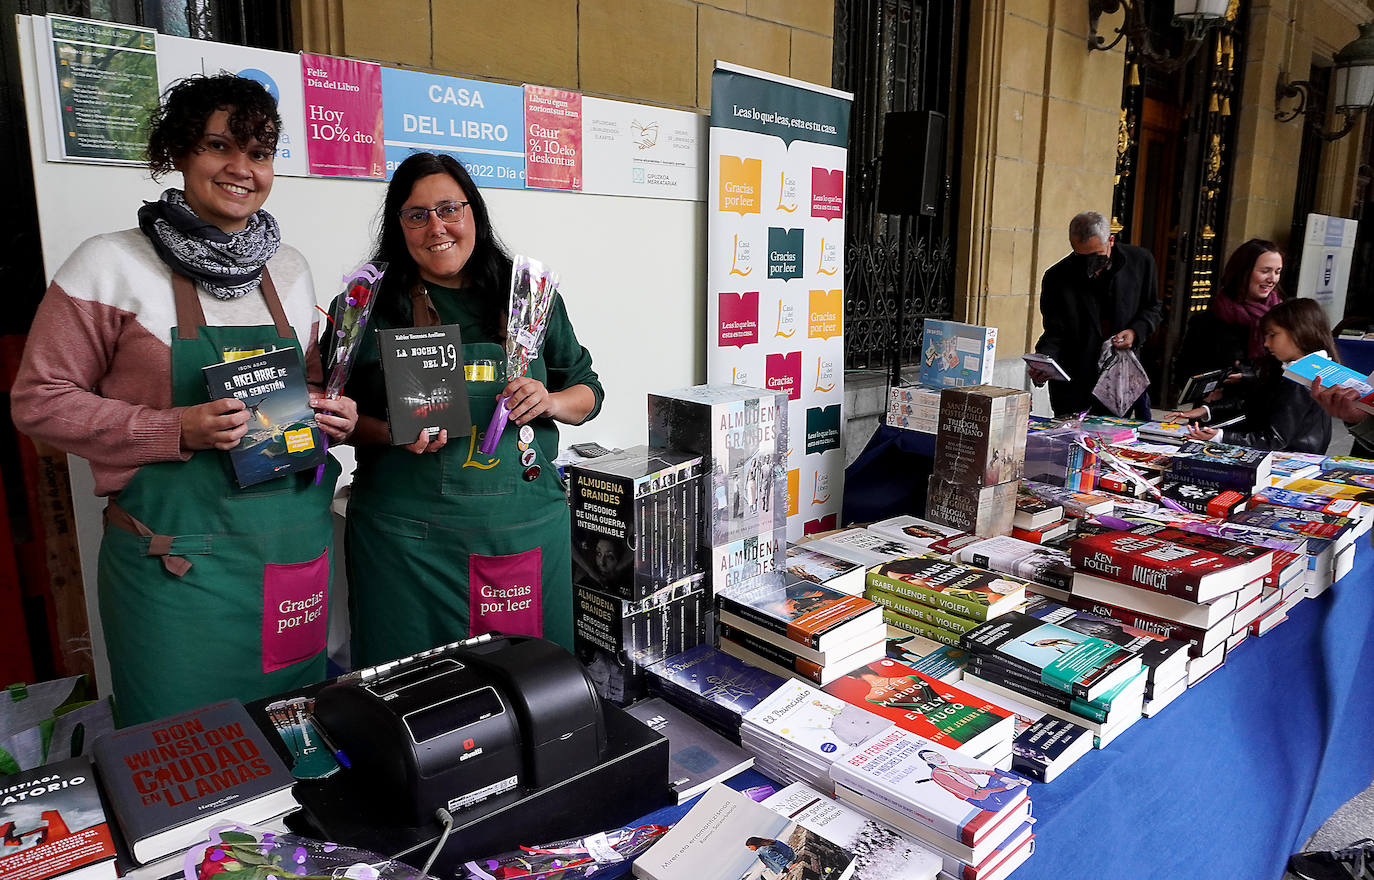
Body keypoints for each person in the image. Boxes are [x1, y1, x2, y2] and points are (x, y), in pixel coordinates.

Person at [11, 74, 357, 726]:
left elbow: (306, 389)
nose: (240, 169)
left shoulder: (290, 268)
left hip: (288, 560)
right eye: (218, 146)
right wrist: (174, 429)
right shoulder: (108, 263)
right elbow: (37, 401)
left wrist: (331, 413)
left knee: (294, 743)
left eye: (258, 153)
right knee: (185, 760)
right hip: (177, 575)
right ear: (179, 152)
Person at [328, 151, 601, 665]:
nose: (437, 227)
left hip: (518, 534)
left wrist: (551, 400)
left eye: (450, 209)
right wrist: (387, 432)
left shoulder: (529, 297)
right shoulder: (364, 305)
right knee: (410, 701)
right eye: (417, 214)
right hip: (405, 546)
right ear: (399, 225)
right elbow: (330, 416)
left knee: (528, 689)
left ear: (474, 212)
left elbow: (587, 391)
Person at [1029, 211, 1162, 417]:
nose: (1089, 264)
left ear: (1111, 240)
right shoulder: (1057, 276)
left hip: (1119, 380)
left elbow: (1153, 308)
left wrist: (1135, 332)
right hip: (1075, 384)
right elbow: (1055, 331)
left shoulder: (1141, 262)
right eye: (1081, 256)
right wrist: (1044, 361)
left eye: (1096, 256)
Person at [1167, 298, 1335, 453]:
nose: (1266, 343)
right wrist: (1206, 410)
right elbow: (1255, 404)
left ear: (1299, 332)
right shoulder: (1299, 368)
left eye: (1273, 335)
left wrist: (1219, 436)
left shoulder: (1302, 377)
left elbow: (1274, 438)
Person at [1175, 239, 1285, 390]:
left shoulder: (1285, 318)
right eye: (1265, 271)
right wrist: (1213, 387)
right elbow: (1184, 373)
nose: (1272, 279)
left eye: (1277, 272)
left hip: (1269, 408)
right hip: (1218, 408)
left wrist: (1251, 377)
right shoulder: (1209, 321)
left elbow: (1292, 372)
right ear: (1242, 271)